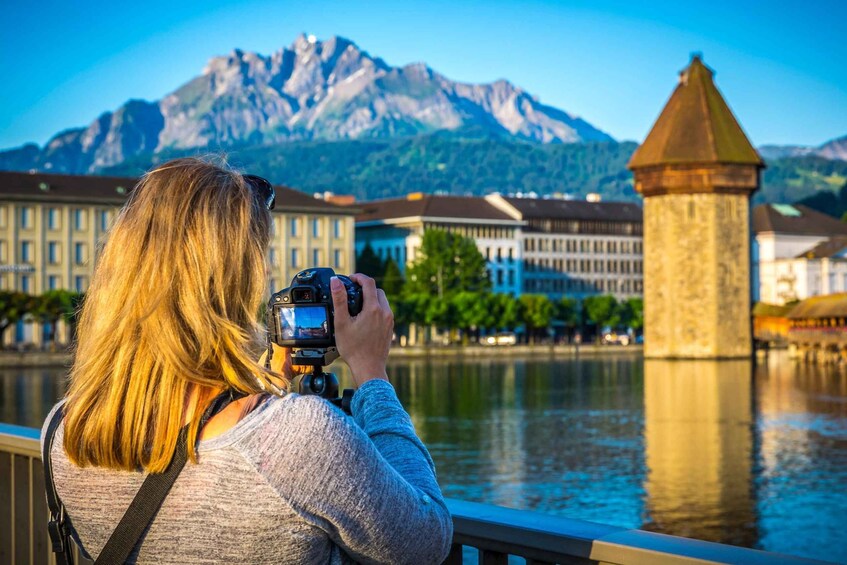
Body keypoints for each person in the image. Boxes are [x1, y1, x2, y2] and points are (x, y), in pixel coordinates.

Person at [41, 157, 453, 564]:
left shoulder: (63, 432)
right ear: (235, 281)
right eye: (259, 258)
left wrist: (266, 383)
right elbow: (425, 540)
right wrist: (371, 374)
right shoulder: (301, 436)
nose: (267, 271)